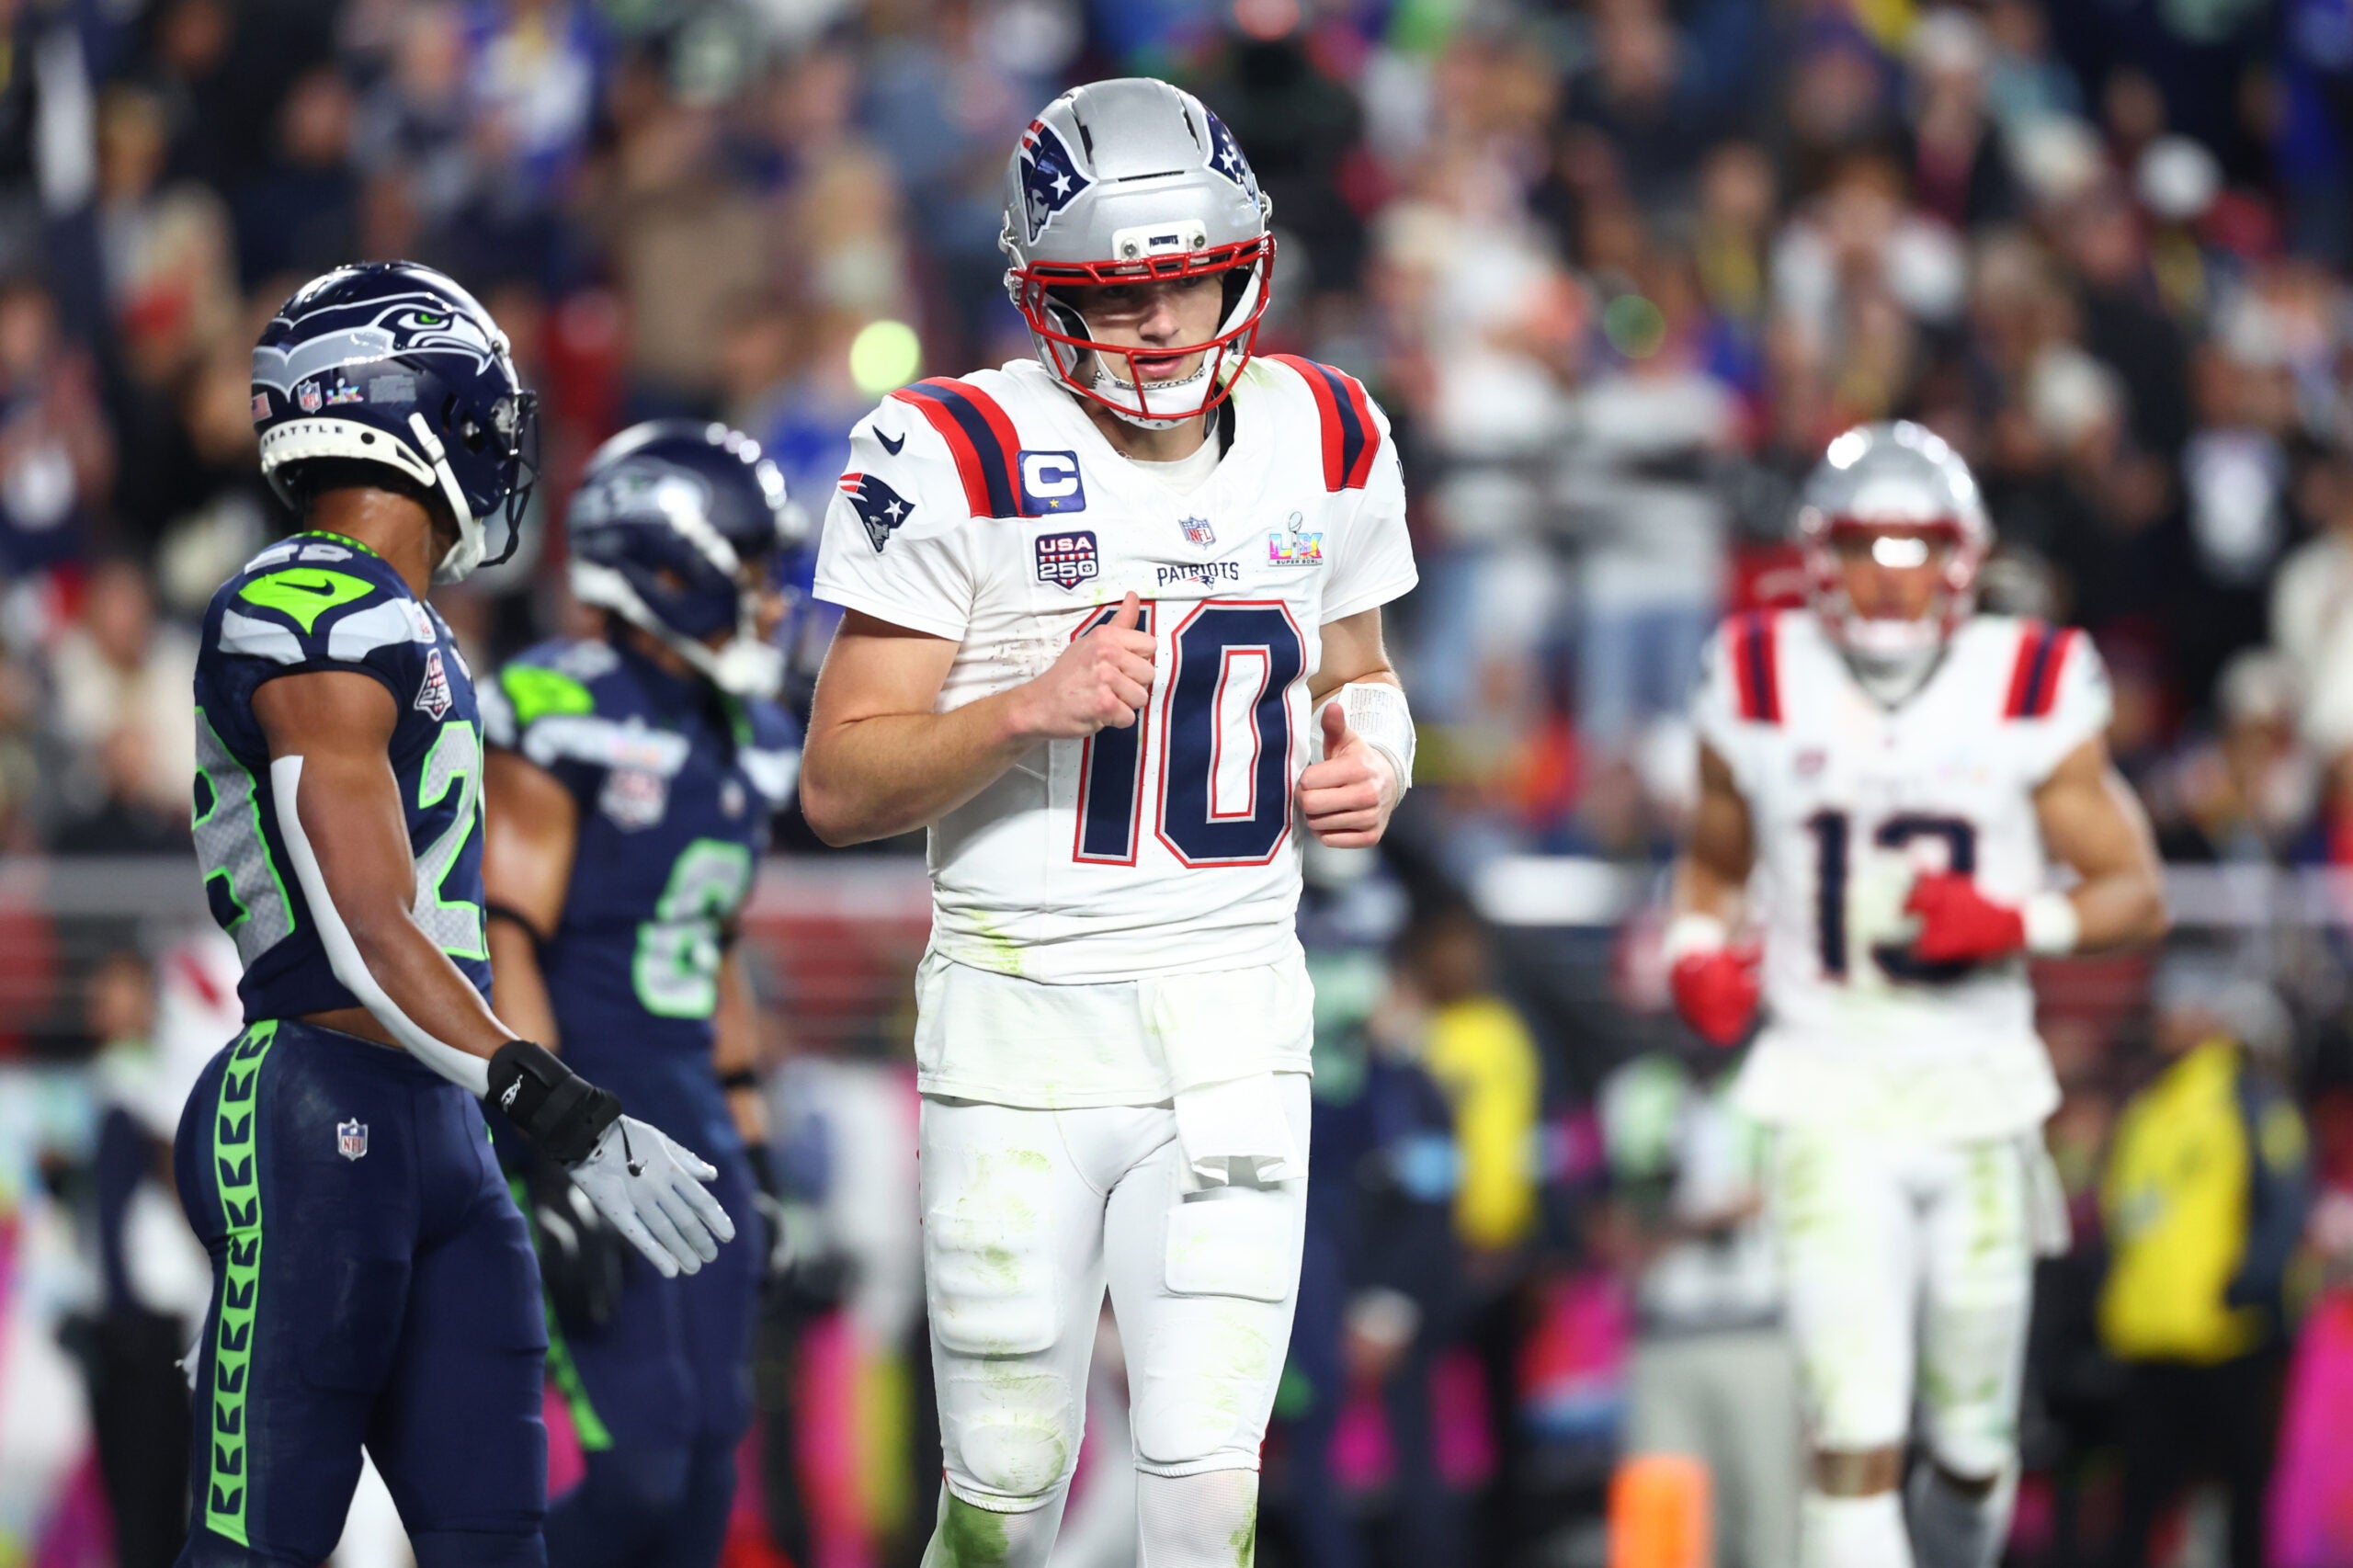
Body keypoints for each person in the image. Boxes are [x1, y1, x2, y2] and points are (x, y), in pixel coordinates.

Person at [798, 79, 1419, 1567]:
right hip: (1019, 1032)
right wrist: (1025, 706)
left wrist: (1376, 755)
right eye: (1114, 296)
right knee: (1004, 1504)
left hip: (1233, 1023)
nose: (1158, 327)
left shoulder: (1326, 429)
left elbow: (1367, 672)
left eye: (1185, 282)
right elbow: (836, 783)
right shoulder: (956, 448)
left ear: (1243, 260)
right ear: (1040, 292)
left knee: (1208, 1494)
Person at [177, 262, 733, 1568]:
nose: (500, 443)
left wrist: (519, 1117)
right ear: (410, 406)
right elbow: (366, 924)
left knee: (498, 1541)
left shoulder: (411, 620)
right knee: (260, 1548)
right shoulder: (304, 600)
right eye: (487, 409)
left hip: (444, 1123)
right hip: (316, 1104)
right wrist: (563, 1108)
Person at [1662, 421, 2168, 1568]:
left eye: (1914, 543)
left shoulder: (2029, 677)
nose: (1888, 573)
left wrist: (2013, 921)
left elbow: (2135, 892)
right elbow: (1712, 858)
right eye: (1862, 543)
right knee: (1854, 1432)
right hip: (1827, 1086)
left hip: (1978, 1093)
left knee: (1976, 1452)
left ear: (1962, 556)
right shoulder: (1753, 671)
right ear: (1815, 555)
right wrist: (1695, 945)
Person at [479, 419, 805, 1568]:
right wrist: (552, 1141)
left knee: (712, 1459)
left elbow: (713, 954)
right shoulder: (557, 703)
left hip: (692, 1116)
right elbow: (503, 937)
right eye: (750, 563)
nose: (770, 593)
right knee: (643, 1460)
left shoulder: (748, 733)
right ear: (670, 564)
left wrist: (755, 1152)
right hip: (587, 1105)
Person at [2098, 955, 2309, 1568]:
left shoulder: (2251, 1099)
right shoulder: (2147, 1106)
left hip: (2229, 1339)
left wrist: (2247, 1287)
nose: (2165, 1019)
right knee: (2136, 1503)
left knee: (2242, 1499)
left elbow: (2285, 1201)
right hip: (2148, 1338)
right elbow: (2125, 1213)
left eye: (2180, 1006)